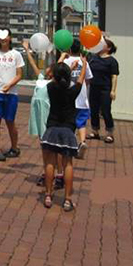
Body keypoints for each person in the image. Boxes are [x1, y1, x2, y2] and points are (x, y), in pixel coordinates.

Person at [41, 58, 87, 211]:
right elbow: (80, 79)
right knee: (68, 164)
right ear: (68, 77)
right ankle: (67, 199)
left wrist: (63, 68)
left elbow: (51, 75)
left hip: (52, 129)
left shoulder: (50, 88)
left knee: (50, 163)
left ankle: (48, 195)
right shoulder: (73, 91)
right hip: (68, 130)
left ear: (54, 76)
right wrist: (83, 64)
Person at [23, 40, 63, 189]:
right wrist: (27, 50)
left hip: (48, 119)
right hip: (39, 119)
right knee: (44, 147)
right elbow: (33, 65)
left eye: (50, 69)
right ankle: (47, 172)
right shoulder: (41, 80)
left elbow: (58, 68)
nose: (46, 69)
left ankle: (59, 175)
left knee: (54, 148)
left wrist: (62, 57)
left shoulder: (54, 83)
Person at [0, 29, 24, 161]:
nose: (4, 40)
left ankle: (14, 147)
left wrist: (10, 85)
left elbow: (19, 74)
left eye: (6, 37)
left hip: (11, 93)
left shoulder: (16, 54)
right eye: (1, 37)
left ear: (10, 38)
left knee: (10, 121)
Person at [87, 39, 119, 144]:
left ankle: (110, 133)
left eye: (103, 44)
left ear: (108, 48)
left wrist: (113, 90)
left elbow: (114, 76)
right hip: (93, 87)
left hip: (105, 88)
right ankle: (95, 131)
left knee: (105, 110)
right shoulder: (93, 58)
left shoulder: (112, 61)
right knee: (94, 110)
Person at [64, 40, 92, 159]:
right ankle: (82, 142)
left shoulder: (65, 62)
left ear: (69, 50)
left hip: (69, 97)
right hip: (82, 96)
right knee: (81, 123)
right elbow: (89, 78)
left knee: (69, 123)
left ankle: (70, 145)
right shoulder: (84, 62)